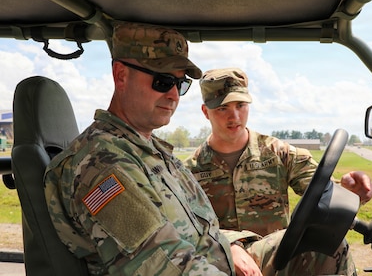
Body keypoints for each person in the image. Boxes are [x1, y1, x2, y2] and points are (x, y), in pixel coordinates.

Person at [43, 22, 236, 275]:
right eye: (163, 81)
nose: (174, 95)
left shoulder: (151, 149)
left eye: (180, 84)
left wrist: (237, 244)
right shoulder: (101, 164)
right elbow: (160, 265)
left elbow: (199, 229)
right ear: (121, 75)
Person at [184, 67, 372, 276]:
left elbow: (321, 191)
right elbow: (184, 228)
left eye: (241, 105)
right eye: (222, 108)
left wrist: (348, 191)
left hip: (280, 263)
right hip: (220, 265)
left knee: (330, 246)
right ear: (205, 112)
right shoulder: (188, 172)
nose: (235, 116)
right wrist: (228, 244)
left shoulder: (278, 153)